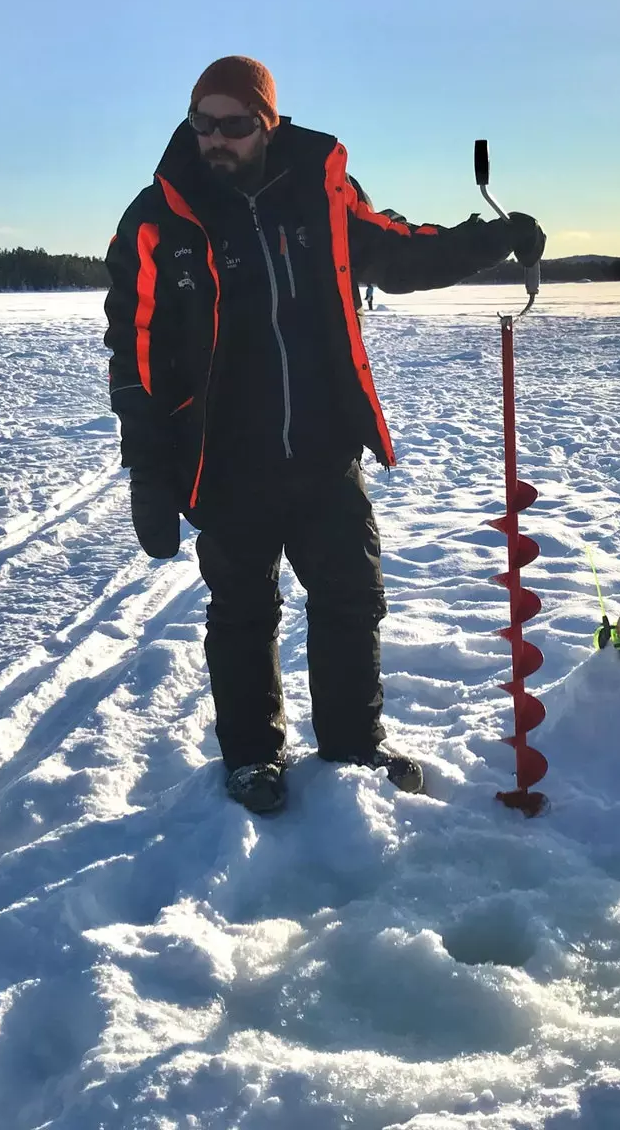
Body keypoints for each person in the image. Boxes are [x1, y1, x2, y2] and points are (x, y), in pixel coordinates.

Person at [103, 56, 544, 814]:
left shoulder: (321, 190)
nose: (216, 139)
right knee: (242, 615)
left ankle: (352, 746)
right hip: (226, 462)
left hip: (324, 446)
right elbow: (136, 352)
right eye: (202, 122)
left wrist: (490, 240)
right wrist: (148, 468)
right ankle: (251, 760)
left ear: (266, 125)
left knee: (350, 601)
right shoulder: (159, 219)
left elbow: (399, 251)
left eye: (234, 124)